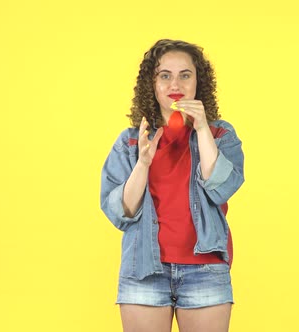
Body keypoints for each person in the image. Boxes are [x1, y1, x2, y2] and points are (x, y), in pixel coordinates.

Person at [100, 39, 244, 332]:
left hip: (205, 269)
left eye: (185, 74)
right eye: (164, 75)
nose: (174, 83)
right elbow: (121, 213)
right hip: (143, 270)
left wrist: (202, 127)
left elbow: (222, 188)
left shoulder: (220, 133)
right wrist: (142, 163)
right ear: (151, 84)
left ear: (197, 82)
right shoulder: (130, 141)